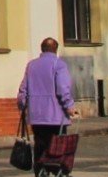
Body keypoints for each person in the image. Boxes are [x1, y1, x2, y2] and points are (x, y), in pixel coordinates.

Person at [16, 37, 76, 168]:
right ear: (56, 49)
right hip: (56, 115)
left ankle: (39, 168)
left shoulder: (31, 65)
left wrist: (22, 104)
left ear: (42, 49)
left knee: (40, 142)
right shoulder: (59, 64)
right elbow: (62, 88)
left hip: (36, 114)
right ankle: (56, 168)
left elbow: (23, 88)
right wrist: (70, 106)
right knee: (57, 143)